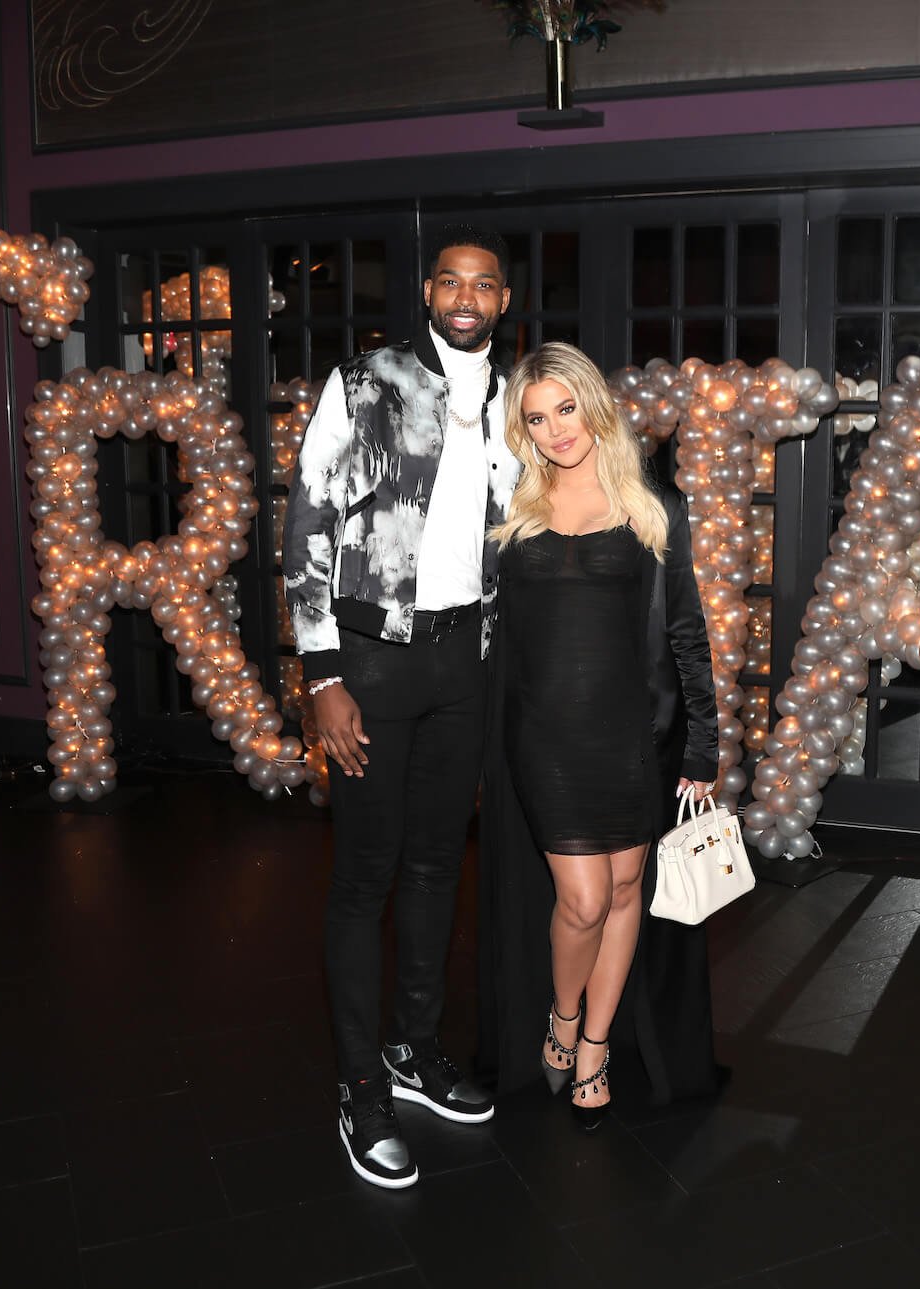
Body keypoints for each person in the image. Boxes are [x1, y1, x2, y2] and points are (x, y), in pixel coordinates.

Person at [281, 224, 520, 1189]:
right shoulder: (364, 381)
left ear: (502, 301)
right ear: (428, 292)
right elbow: (306, 520)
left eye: (485, 285)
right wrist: (322, 675)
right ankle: (357, 1089)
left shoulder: (513, 398)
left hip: (463, 661)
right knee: (364, 877)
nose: (465, 297)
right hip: (369, 663)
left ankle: (412, 1053)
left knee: (433, 867)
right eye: (450, 282)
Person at [477, 342, 720, 1129]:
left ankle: (594, 1047)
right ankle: (561, 1016)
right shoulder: (510, 508)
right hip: (545, 736)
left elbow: (686, 632)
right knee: (581, 899)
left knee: (624, 893)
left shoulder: (654, 507)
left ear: (592, 404)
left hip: (631, 736)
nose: (554, 430)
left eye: (564, 409)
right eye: (535, 418)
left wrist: (703, 745)